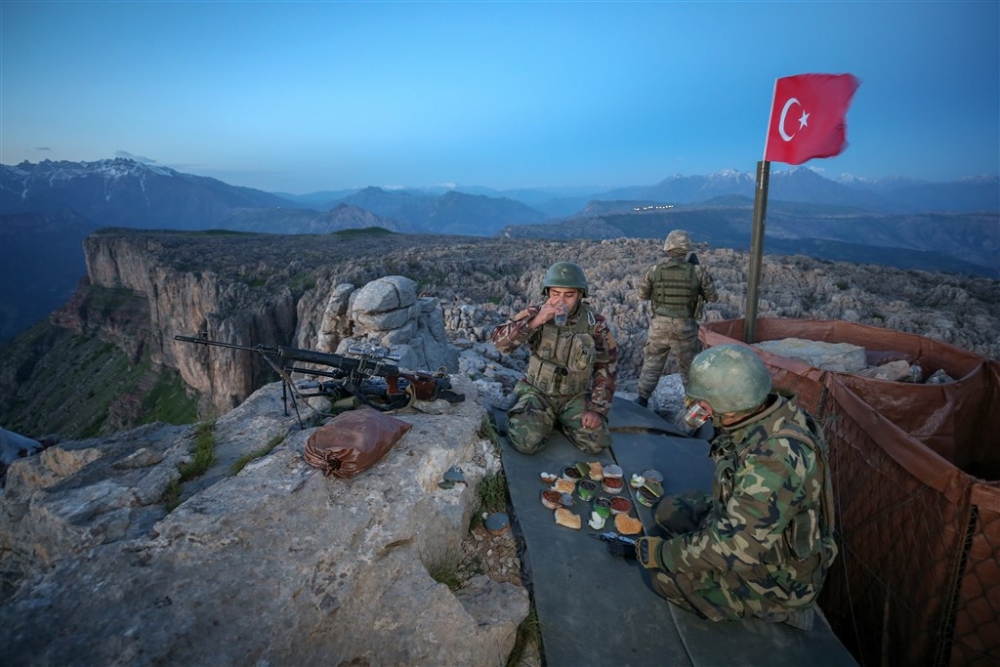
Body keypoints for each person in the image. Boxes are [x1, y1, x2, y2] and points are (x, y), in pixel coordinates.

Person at [630, 344, 838, 630]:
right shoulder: (768, 412)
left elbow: (738, 547)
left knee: (664, 579)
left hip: (776, 571)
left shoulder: (774, 459)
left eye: (704, 405)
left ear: (726, 404)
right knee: (668, 511)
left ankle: (782, 608)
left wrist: (665, 554)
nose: (698, 410)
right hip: (755, 525)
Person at [491, 261, 618, 455]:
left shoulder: (594, 323)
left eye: (569, 295)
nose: (561, 300)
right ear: (547, 292)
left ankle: (561, 420)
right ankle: (536, 417)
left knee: (596, 442)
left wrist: (597, 410)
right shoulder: (534, 314)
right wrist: (536, 321)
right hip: (538, 392)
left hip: (574, 396)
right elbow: (500, 344)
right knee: (525, 441)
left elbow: (607, 365)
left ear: (580, 295)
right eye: (555, 293)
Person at [635, 230, 718, 407]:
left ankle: (642, 399)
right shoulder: (697, 272)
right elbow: (712, 297)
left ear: (668, 249)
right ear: (687, 250)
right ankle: (692, 405)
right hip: (685, 327)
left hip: (659, 325)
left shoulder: (655, 271)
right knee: (690, 368)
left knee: (652, 364)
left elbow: (643, 294)